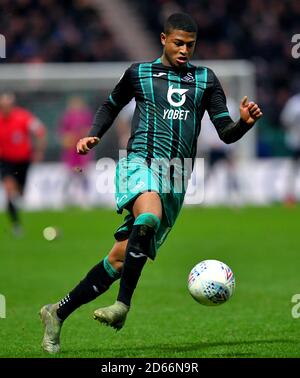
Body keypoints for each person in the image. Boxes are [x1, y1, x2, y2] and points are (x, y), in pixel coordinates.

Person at [40, 13, 263, 353]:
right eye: (178, 43)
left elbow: (227, 133)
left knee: (118, 259)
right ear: (163, 39)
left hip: (177, 176)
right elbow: (110, 105)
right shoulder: (139, 73)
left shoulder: (206, 80)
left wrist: (244, 123)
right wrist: (93, 135)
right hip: (139, 163)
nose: (184, 50)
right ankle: (122, 306)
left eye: (190, 44)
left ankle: (57, 312)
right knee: (149, 216)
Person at [0, 93, 47, 236]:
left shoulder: (23, 117)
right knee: (9, 190)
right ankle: (16, 225)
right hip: (5, 161)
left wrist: (38, 150)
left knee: (20, 192)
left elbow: (40, 131)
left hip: (23, 161)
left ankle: (16, 198)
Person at [58, 96, 94, 207]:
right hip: (71, 152)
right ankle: (66, 197)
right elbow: (63, 135)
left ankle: (86, 198)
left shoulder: (86, 116)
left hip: (82, 151)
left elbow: (90, 131)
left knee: (83, 174)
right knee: (69, 175)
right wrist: (69, 139)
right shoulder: (67, 117)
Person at [280, 92, 300, 205]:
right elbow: (285, 120)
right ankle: (289, 195)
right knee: (293, 169)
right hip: (296, 142)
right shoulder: (294, 103)